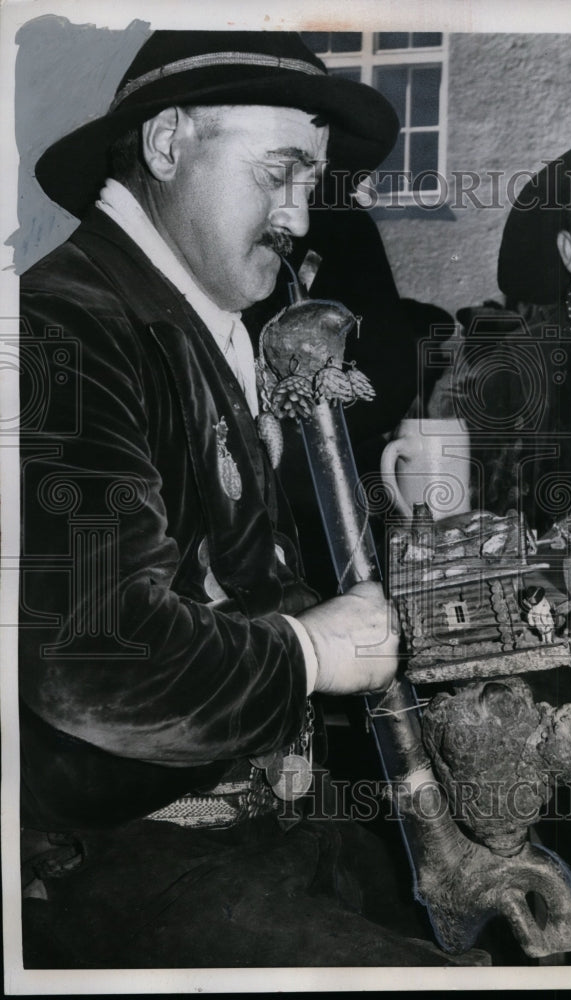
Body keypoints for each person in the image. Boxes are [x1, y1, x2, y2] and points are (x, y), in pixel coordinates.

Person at [18, 30, 486, 968]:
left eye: (308, 185)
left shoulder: (196, 320)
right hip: (127, 865)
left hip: (261, 831)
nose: (299, 219)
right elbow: (93, 659)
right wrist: (312, 651)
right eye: (278, 173)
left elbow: (229, 577)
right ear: (166, 145)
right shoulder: (62, 331)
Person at [428, 133, 571, 964]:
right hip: (554, 705)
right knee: (566, 924)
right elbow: (445, 559)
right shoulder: (502, 380)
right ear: (567, 249)